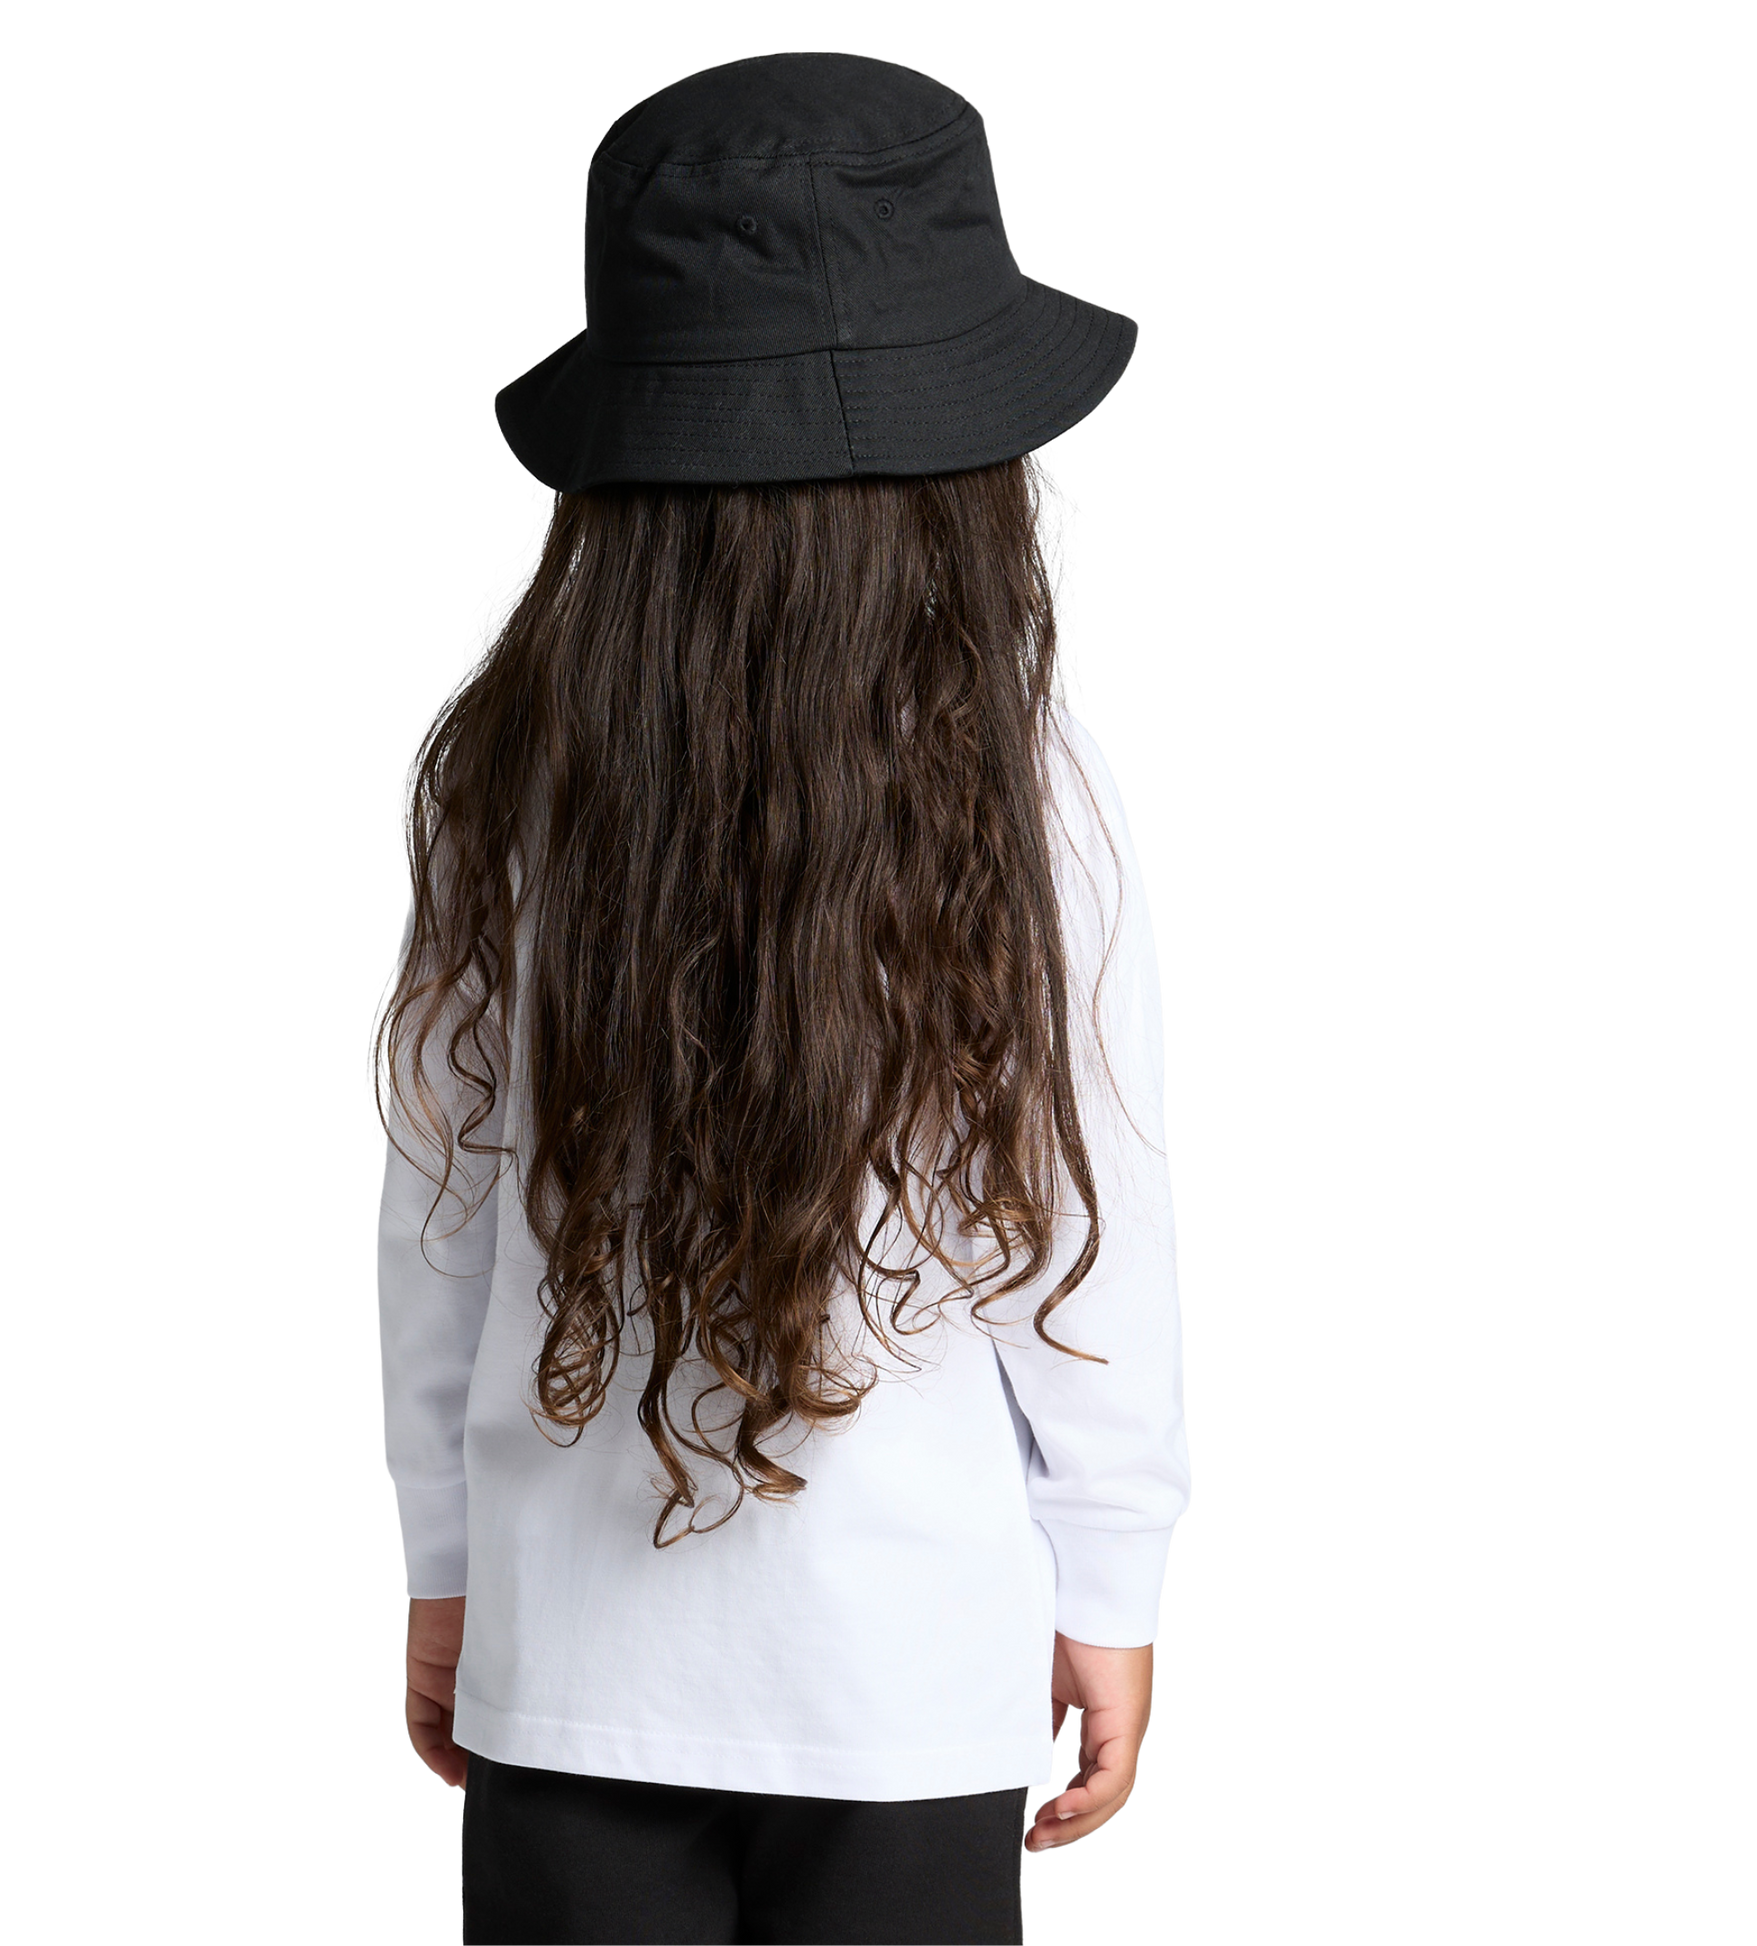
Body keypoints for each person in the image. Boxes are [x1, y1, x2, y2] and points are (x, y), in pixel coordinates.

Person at [365, 49, 1193, 1946]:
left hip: (567, 1663)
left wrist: (443, 1563)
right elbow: (1095, 1235)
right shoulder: (1031, 787)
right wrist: (1108, 1585)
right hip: (911, 1670)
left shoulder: (510, 776)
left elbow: (440, 1207)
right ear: (967, 460)